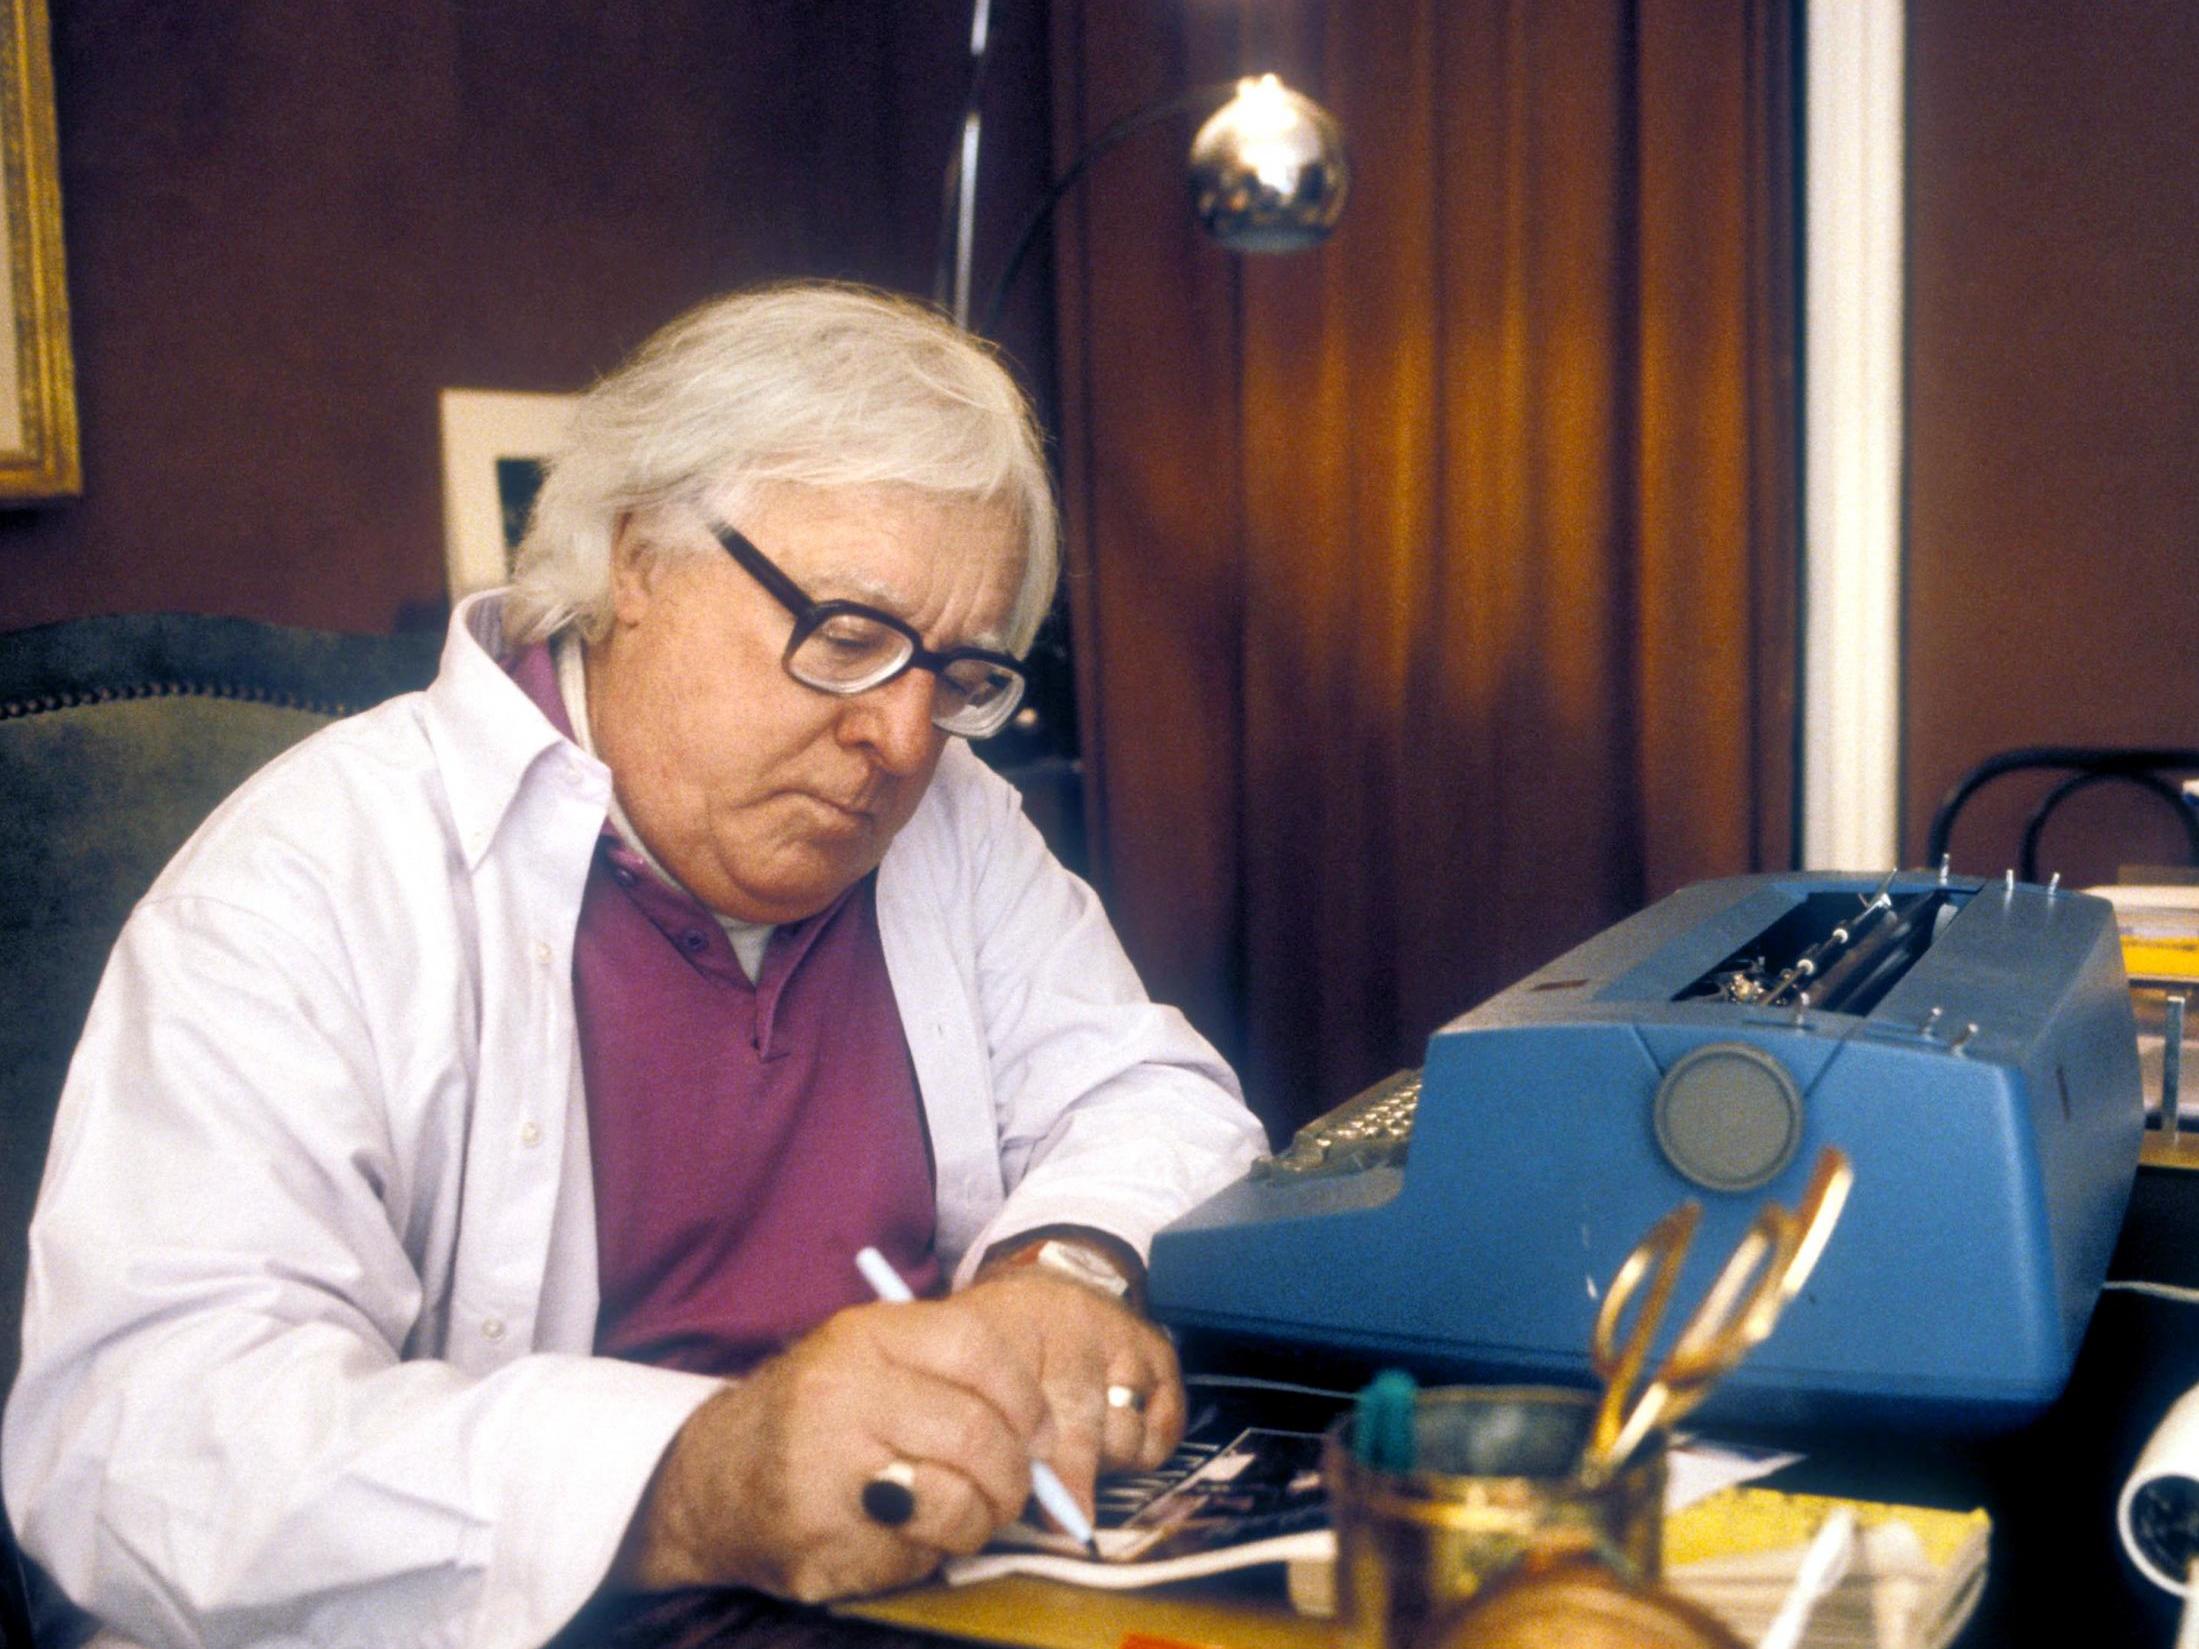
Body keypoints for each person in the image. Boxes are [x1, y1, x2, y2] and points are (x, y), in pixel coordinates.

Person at [1, 282, 1265, 1648]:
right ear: (635, 560)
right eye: (845, 640)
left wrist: (1059, 1271)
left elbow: (1154, 1089)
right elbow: (141, 1441)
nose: (903, 740)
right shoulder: (310, 874)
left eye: (957, 677)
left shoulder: (951, 823)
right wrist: (698, 1474)